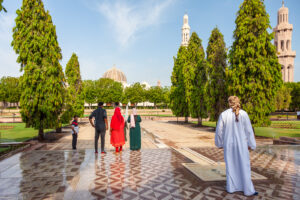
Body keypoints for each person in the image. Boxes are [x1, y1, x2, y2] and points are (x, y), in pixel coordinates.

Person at [215, 96, 258, 196]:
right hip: (242, 144)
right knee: (244, 166)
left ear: (229, 103)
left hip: (228, 144)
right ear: (238, 102)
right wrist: (252, 145)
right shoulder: (244, 114)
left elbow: (219, 131)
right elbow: (249, 131)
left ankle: (231, 187)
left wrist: (219, 143)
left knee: (230, 165)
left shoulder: (224, 114)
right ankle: (247, 190)